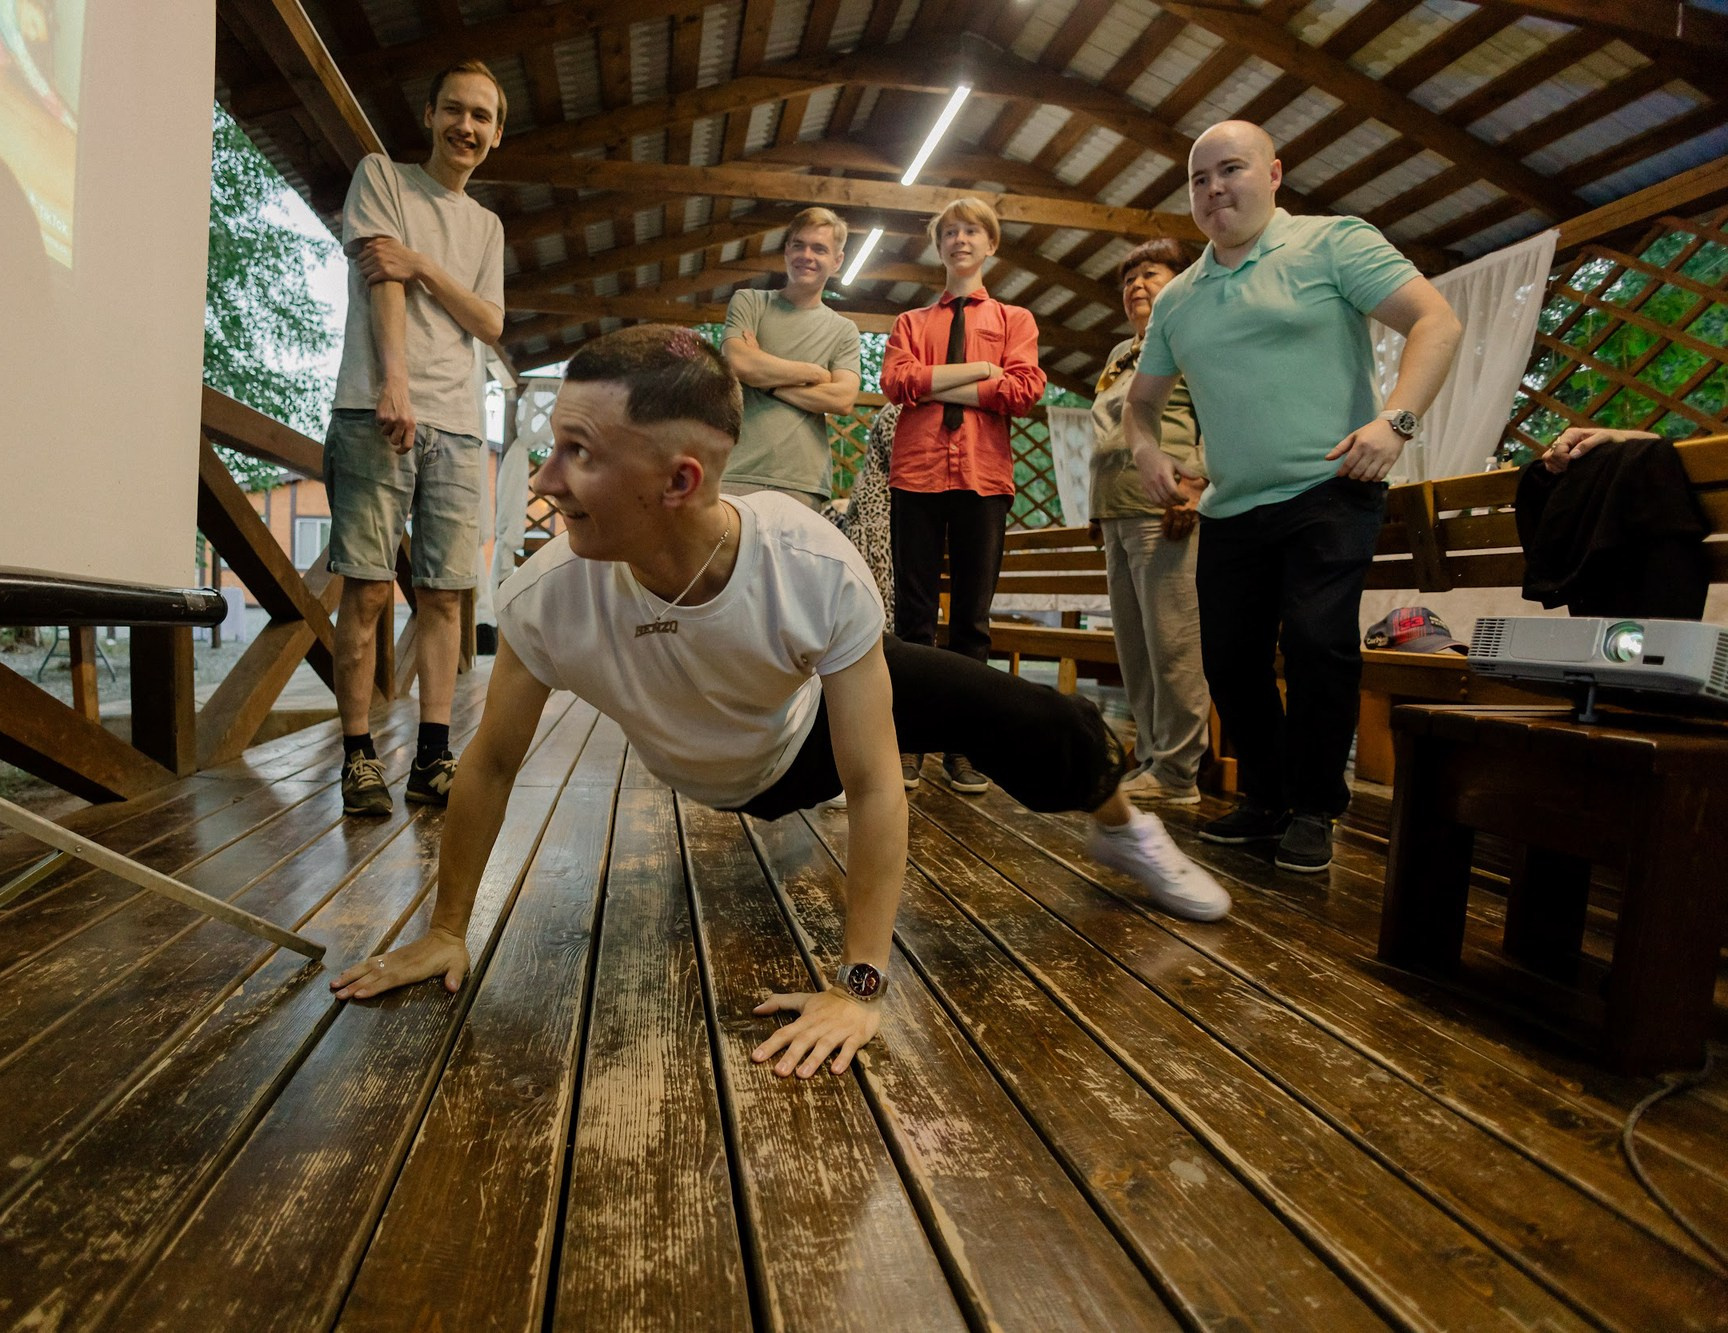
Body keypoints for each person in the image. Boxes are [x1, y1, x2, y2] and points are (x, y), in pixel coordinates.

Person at [329, 326, 1231, 1079]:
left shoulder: (810, 570)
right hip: (723, 768)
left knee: (1030, 718)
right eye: (554, 447)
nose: (545, 482)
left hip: (806, 736)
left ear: (680, 480)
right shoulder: (547, 597)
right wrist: (447, 928)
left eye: (579, 454)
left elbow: (878, 785)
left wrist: (861, 983)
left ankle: (1121, 822)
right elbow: (487, 763)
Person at [1125, 120, 1463, 873]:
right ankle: (1265, 800)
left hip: (1331, 485)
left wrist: (1395, 422)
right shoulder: (1178, 300)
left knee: (1317, 641)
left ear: (1274, 174)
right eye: (1199, 179)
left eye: (1231, 170)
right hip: (1232, 506)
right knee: (1231, 662)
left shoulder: (1333, 243)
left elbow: (1435, 320)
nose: (1215, 189)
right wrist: (1149, 451)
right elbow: (1139, 404)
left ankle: (1315, 806)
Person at [325, 62, 508, 816]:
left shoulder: (487, 226)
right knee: (368, 588)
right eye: (456, 111)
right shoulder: (384, 178)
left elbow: (491, 323)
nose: (467, 127)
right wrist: (392, 384)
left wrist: (426, 262)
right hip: (379, 411)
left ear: (496, 136)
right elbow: (382, 282)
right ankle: (357, 755)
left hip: (462, 426)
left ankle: (432, 757)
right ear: (430, 113)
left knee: (444, 597)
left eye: (483, 118)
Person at [879, 198, 1047, 796]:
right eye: (948, 231)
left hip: (983, 478)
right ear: (939, 245)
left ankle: (965, 747)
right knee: (914, 617)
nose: (959, 239)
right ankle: (910, 742)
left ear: (990, 243)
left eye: (971, 230)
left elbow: (1025, 391)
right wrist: (980, 371)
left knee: (973, 620)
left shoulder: (1015, 319)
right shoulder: (911, 324)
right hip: (917, 477)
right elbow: (896, 383)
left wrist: (940, 381)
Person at [1089, 239, 1209, 806]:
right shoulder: (1120, 352)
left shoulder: (1192, 335)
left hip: (1165, 504)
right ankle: (1151, 756)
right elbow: (1109, 433)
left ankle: (1180, 771)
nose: (1136, 285)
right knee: (1133, 646)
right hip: (1115, 510)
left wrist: (1196, 485)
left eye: (1150, 273)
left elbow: (1215, 415)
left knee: (1172, 643)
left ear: (1179, 279)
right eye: (1128, 278)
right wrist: (1094, 508)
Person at [719, 207, 862, 509]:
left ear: (837, 261)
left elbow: (842, 399)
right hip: (737, 469)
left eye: (819, 249)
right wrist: (813, 373)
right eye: (799, 244)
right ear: (786, 251)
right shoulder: (750, 301)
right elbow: (738, 362)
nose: (806, 255)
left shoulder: (844, 330)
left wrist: (767, 382)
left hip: (803, 480)